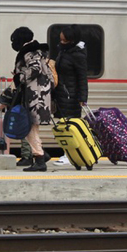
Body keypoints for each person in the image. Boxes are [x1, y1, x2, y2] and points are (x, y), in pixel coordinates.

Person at [9, 26, 53, 172]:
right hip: (38, 93)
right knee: (31, 128)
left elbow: (35, 69)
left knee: (30, 128)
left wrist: (19, 76)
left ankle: (40, 158)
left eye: (14, 40)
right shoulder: (37, 51)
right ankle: (41, 154)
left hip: (35, 95)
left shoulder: (29, 51)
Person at [51, 25, 89, 166]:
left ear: (72, 40)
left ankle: (70, 155)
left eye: (65, 40)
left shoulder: (78, 55)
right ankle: (67, 154)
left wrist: (82, 98)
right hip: (63, 94)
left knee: (70, 127)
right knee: (64, 126)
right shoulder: (64, 51)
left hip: (71, 96)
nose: (61, 42)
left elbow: (82, 78)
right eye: (61, 40)